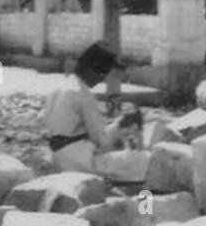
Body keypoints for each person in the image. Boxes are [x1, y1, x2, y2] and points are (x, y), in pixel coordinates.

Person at [41, 43, 138, 172]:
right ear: (89, 70)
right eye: (101, 74)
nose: (101, 79)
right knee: (138, 160)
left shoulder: (60, 86)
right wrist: (120, 124)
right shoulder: (84, 95)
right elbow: (100, 139)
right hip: (77, 159)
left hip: (56, 155)